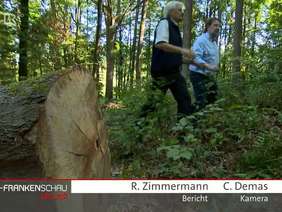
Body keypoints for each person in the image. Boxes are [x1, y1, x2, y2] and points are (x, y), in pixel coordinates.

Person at [140, 1, 194, 119]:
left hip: (174, 73)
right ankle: (139, 130)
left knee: (185, 100)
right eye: (179, 10)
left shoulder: (175, 29)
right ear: (171, 11)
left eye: (182, 11)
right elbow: (160, 44)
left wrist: (191, 61)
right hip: (162, 74)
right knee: (153, 104)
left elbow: (175, 56)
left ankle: (183, 131)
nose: (182, 13)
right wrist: (183, 50)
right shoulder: (164, 23)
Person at [189, 17, 220, 111]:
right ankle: (193, 122)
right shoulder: (201, 40)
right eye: (215, 25)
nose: (217, 28)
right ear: (208, 27)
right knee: (201, 100)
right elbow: (195, 57)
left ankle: (208, 121)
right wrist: (209, 66)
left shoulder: (213, 43)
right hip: (197, 74)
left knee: (213, 97)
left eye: (219, 26)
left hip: (208, 75)